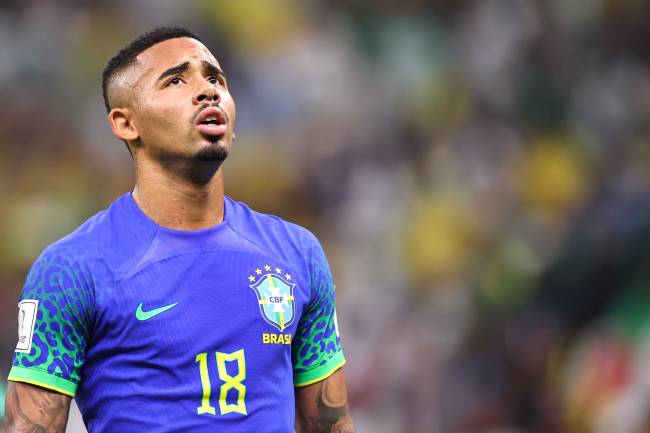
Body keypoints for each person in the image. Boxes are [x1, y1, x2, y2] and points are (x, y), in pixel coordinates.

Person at [4, 27, 355, 433]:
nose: (208, 92)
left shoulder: (297, 253)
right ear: (125, 123)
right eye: (175, 80)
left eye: (215, 79)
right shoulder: (73, 269)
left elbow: (331, 422)